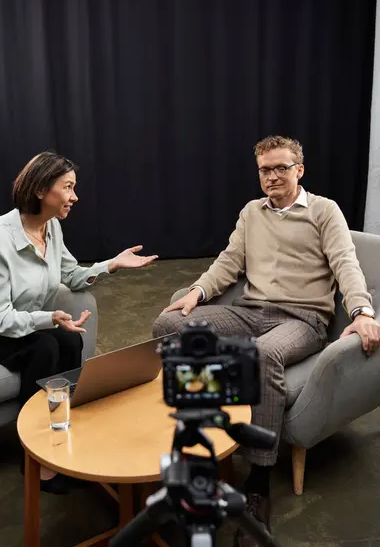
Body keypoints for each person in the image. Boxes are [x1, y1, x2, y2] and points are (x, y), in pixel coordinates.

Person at [152, 135, 380, 546]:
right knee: (167, 327)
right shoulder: (251, 213)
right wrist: (197, 292)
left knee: (262, 355)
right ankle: (204, 439)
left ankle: (258, 483)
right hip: (250, 310)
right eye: (265, 169)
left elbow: (347, 263)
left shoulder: (324, 211)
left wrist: (362, 311)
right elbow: (228, 262)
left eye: (281, 167)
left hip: (303, 317)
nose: (273, 176)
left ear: (299, 170)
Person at [0, 151, 158, 494]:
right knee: (46, 345)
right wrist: (49, 318)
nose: (75, 197)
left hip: (25, 323)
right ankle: (35, 457)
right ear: (41, 190)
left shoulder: (52, 228)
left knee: (70, 341)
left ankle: (64, 428)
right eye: (68, 187)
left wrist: (112, 265)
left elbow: (72, 275)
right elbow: (0, 318)